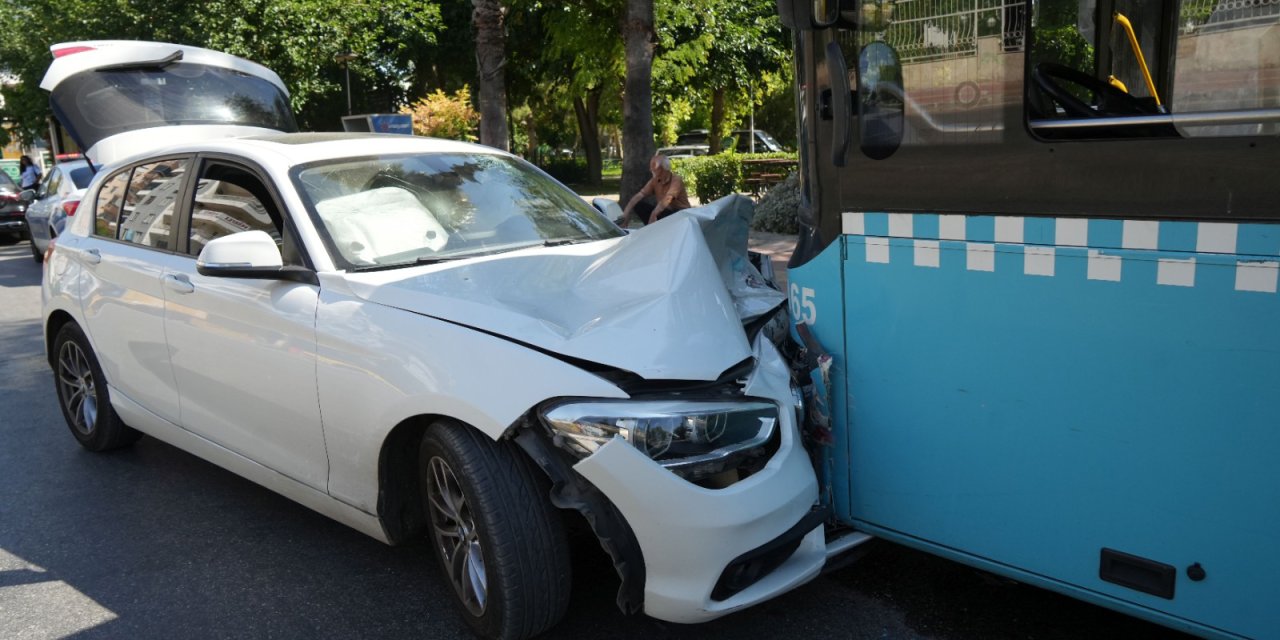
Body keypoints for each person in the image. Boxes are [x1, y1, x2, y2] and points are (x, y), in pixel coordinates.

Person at [616, 155, 691, 228]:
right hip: (664, 212)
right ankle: (652, 227)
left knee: (663, 214)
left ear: (663, 168)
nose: (650, 169)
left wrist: (654, 214)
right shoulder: (654, 181)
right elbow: (640, 195)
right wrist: (626, 213)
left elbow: (668, 199)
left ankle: (655, 226)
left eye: (653, 167)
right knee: (639, 205)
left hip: (680, 213)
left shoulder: (676, 180)